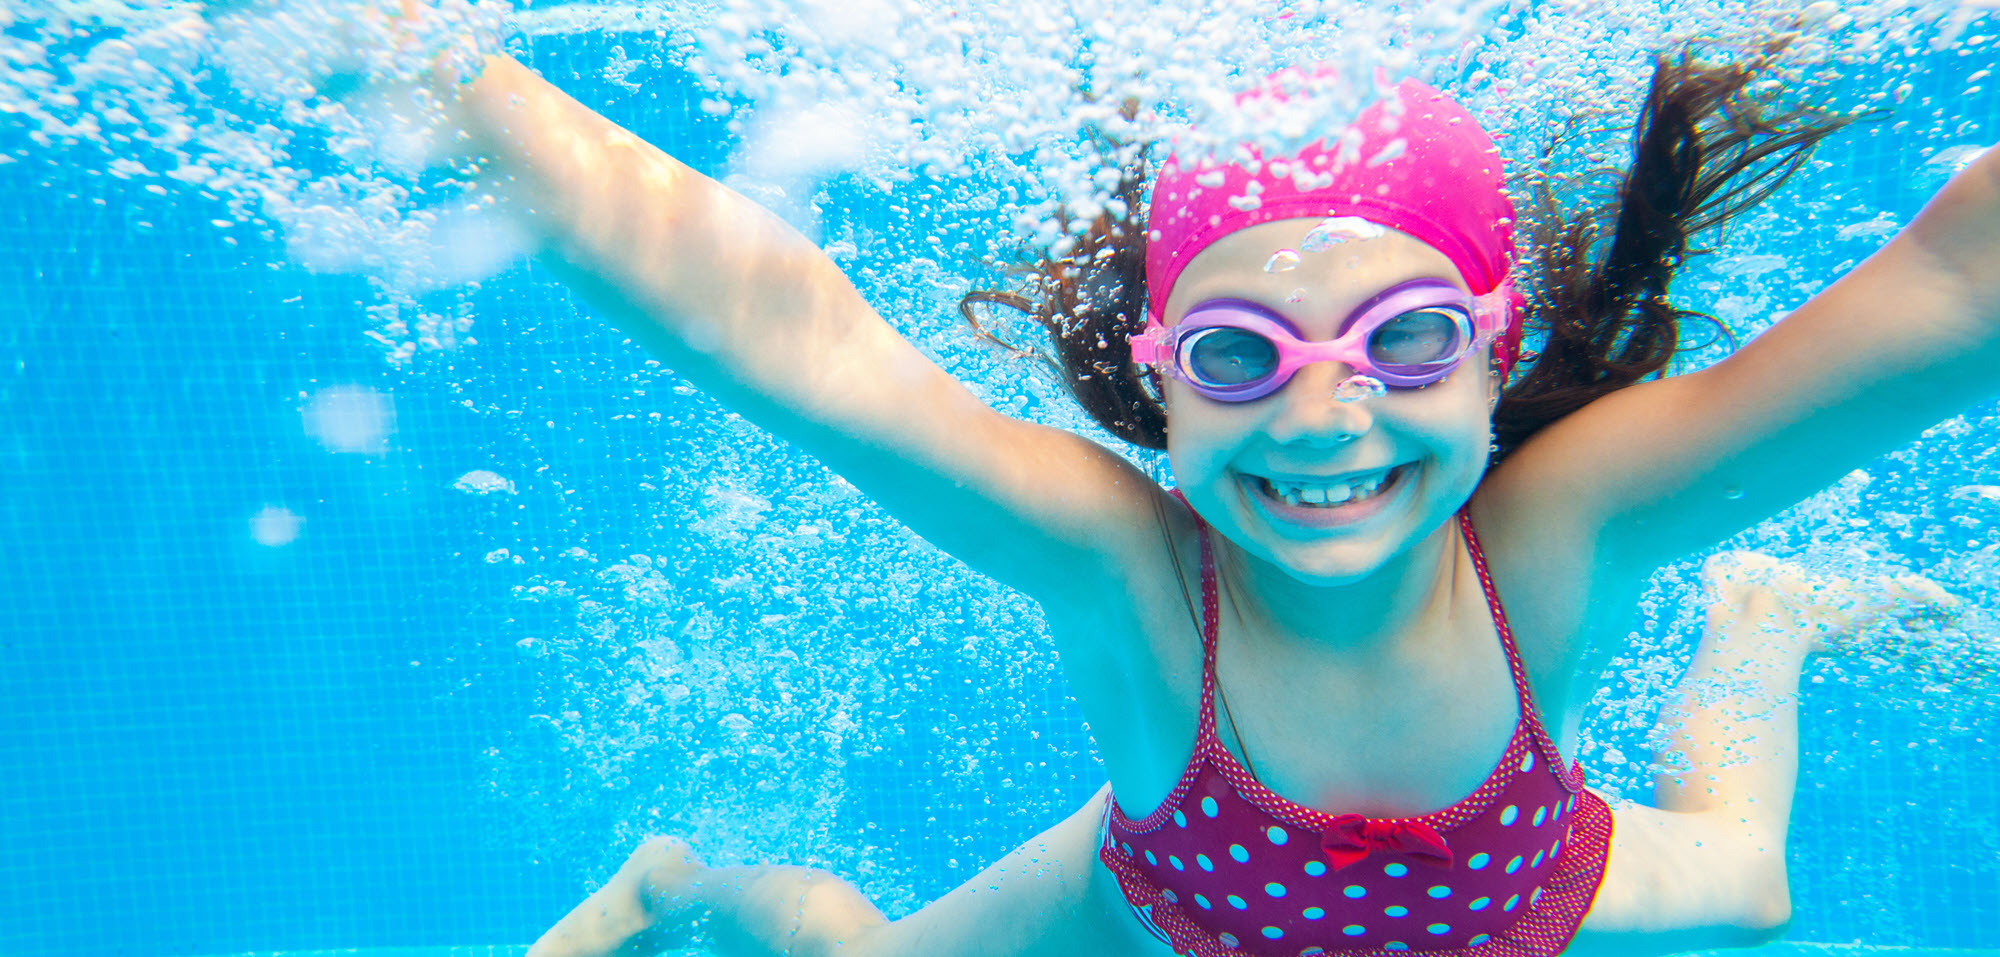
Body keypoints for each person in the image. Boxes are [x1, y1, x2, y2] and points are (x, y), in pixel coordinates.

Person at [380, 14, 2000, 956]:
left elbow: (1943, 296)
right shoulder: (1130, 574)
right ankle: (688, 885)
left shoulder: (1562, 526)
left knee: (1762, 886)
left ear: (1497, 349)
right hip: (1162, 905)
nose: (1322, 414)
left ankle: (1767, 614)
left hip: (1517, 886)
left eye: (1407, 338)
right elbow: (795, 340)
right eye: (1238, 354)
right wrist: (434, 67)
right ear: (1156, 373)